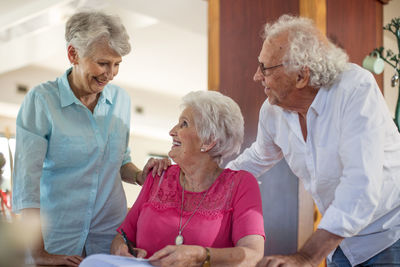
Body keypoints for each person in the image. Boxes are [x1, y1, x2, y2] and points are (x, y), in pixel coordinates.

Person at [225, 14, 400, 267]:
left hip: (389, 235)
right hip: (340, 244)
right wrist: (204, 181)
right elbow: (257, 158)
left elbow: (360, 183)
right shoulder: (272, 111)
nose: (256, 76)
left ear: (301, 77)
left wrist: (306, 257)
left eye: (265, 68)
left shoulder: (355, 88)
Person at [12, 11, 168, 267]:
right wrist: (40, 252)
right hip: (57, 239)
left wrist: (141, 176)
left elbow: (120, 161)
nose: (111, 73)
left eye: (117, 64)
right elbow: (27, 183)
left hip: (109, 238)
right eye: (103, 63)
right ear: (73, 54)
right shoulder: (42, 101)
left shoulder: (120, 101)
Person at [110, 91, 265, 266]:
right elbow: (122, 236)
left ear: (209, 141)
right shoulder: (158, 175)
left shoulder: (241, 184)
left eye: (184, 124)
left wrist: (201, 255)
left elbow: (253, 255)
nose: (172, 131)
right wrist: (121, 249)